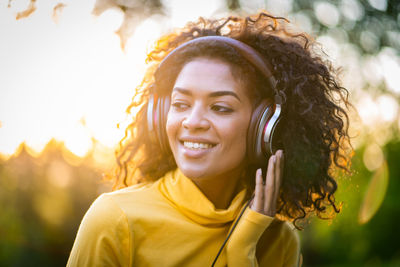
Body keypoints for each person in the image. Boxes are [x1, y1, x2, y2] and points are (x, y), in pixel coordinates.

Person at [67, 12, 351, 267]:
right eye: (180, 104)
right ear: (160, 115)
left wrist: (242, 252)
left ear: (264, 126)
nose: (192, 122)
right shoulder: (115, 220)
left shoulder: (277, 239)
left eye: (220, 108)